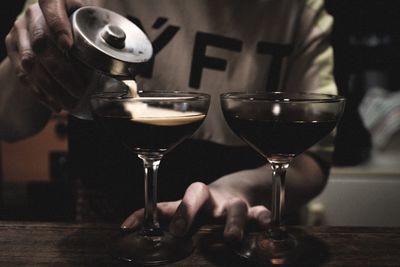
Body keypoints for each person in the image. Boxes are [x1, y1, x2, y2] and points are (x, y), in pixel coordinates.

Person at [0, 0, 337, 242]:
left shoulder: (299, 10)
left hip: (233, 236)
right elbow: (9, 122)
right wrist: (30, 55)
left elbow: (312, 162)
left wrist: (238, 189)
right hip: (102, 235)